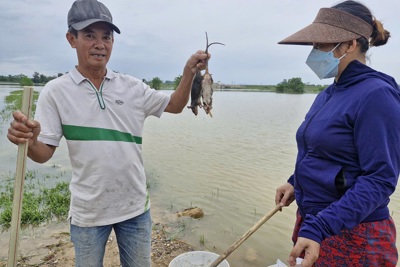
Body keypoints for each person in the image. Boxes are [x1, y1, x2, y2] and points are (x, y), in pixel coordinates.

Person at [7, 0, 210, 266]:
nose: (99, 44)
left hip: (135, 210)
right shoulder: (55, 92)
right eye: (89, 35)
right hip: (88, 214)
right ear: (71, 39)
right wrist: (30, 141)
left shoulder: (132, 87)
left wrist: (188, 72)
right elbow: (43, 153)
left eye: (106, 37)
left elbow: (174, 105)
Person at [275, 1, 400, 266]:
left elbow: (380, 179)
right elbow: (321, 153)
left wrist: (321, 227)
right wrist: (295, 182)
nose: (313, 52)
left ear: (351, 44)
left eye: (320, 45)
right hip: (314, 225)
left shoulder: (377, 96)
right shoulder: (329, 94)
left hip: (354, 235)